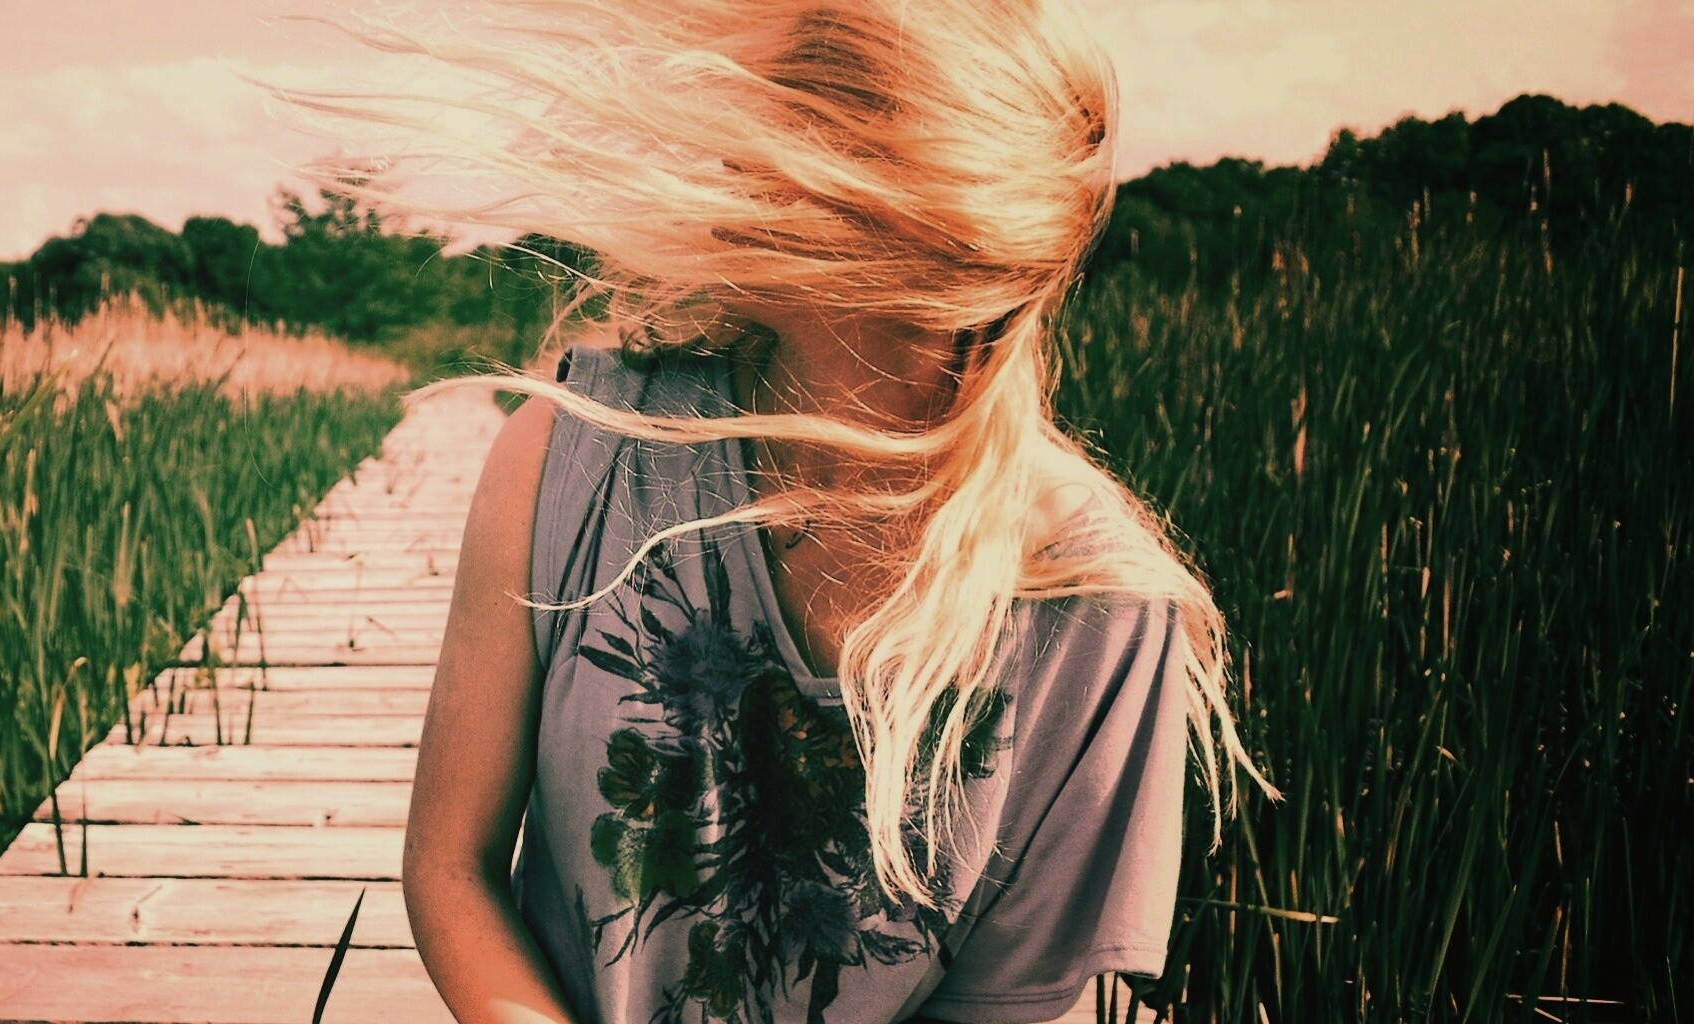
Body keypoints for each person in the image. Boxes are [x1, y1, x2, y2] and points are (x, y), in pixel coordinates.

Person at [286, 2, 1277, 1022]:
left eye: (795, 123)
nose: (732, 155)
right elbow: (452, 867)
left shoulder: (1095, 607)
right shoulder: (565, 455)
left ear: (925, 225)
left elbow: (1003, 1005)